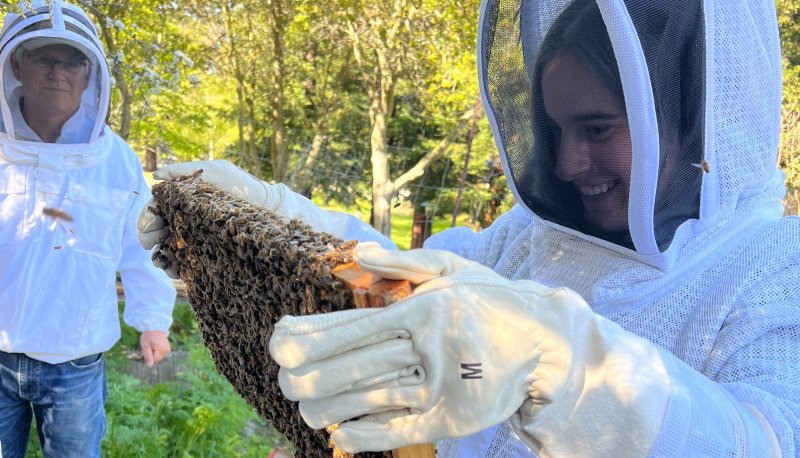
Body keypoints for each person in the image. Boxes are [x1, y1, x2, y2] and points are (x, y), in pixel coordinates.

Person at [139, 0, 799, 456]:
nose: (570, 163)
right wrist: (273, 216)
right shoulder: (528, 238)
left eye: (598, 129)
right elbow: (396, 279)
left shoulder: (774, 266)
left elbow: (768, 438)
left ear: (687, 120)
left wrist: (565, 369)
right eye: (556, 131)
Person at [0, 1, 176, 457]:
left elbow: (145, 244)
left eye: (72, 61)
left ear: (90, 74)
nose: (58, 72)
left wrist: (152, 321)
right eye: (44, 57)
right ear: (17, 63)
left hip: (74, 362)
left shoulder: (115, 160)